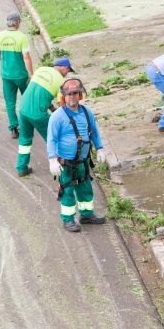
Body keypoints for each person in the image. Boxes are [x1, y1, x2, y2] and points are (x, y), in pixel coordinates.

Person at [47, 77, 112, 232]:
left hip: (83, 161)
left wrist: (100, 148)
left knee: (85, 187)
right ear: (63, 96)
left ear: (80, 95)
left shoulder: (86, 111)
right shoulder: (57, 116)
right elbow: (52, 139)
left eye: (75, 93)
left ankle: (87, 214)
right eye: (69, 94)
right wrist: (52, 159)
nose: (72, 97)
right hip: (66, 163)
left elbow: (93, 131)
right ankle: (68, 219)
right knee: (68, 190)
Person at [15, 58, 75, 177]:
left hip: (23, 109)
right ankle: (64, 169)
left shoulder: (40, 70)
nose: (67, 73)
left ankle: (21, 168)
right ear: (63, 67)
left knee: (25, 140)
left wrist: (52, 110)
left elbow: (38, 94)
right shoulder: (61, 81)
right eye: (68, 70)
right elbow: (62, 104)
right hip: (38, 114)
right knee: (55, 138)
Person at [0, 11, 34, 139]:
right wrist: (31, 74)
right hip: (21, 75)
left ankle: (13, 128)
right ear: (17, 23)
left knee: (10, 103)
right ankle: (28, 123)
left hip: (6, 76)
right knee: (28, 99)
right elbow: (26, 57)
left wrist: (6, 65)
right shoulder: (21, 37)